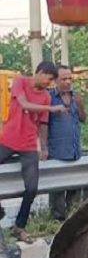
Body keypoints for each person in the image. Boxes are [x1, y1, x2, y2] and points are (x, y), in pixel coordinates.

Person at [0, 62, 63, 243]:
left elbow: (43, 123)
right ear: (41, 73)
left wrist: (43, 147)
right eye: (49, 79)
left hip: (28, 144)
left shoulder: (45, 97)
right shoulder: (21, 81)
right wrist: (52, 109)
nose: (50, 83)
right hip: (8, 139)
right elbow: (24, 104)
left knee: (32, 187)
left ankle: (19, 226)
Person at [46, 64, 88, 221]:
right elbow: (42, 124)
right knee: (57, 193)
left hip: (74, 152)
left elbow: (83, 119)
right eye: (64, 78)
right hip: (57, 153)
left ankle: (72, 221)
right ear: (55, 80)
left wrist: (81, 105)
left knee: (75, 191)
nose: (68, 82)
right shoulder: (49, 98)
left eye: (70, 78)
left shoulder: (75, 97)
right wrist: (43, 148)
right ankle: (57, 221)